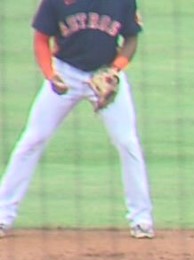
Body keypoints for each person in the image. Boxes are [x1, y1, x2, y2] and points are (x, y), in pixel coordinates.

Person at [0, 0, 155, 239]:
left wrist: (115, 71)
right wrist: (51, 75)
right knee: (32, 141)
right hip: (66, 72)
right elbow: (42, 38)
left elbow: (131, 39)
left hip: (105, 74)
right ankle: (3, 215)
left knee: (128, 143)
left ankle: (141, 220)